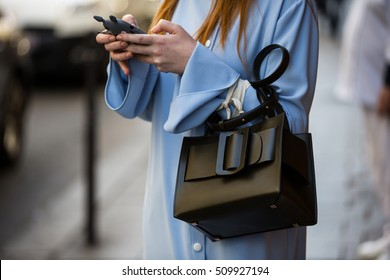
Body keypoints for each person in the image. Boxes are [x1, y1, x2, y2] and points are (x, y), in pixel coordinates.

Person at [96, 0, 319, 260]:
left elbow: (290, 126)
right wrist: (134, 58)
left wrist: (196, 66)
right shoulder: (176, 3)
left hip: (249, 225)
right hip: (169, 222)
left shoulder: (288, 5)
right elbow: (159, 111)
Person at [335, 0, 390, 259]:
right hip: (369, 81)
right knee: (378, 160)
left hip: (381, 82)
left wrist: (388, 82)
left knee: (385, 162)